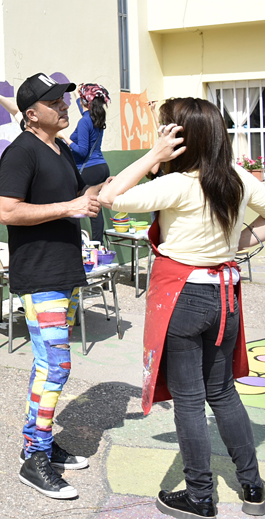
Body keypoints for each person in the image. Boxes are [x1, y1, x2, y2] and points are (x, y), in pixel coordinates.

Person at [98, 98, 265, 519]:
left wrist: (152, 157)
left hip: (185, 295)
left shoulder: (178, 185)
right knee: (223, 392)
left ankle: (199, 495)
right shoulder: (238, 179)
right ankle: (254, 488)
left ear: (179, 139)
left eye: (165, 130)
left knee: (190, 400)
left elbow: (109, 196)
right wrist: (243, 241)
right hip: (225, 294)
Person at [0, 72, 105, 500]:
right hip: (39, 274)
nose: (63, 106)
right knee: (56, 366)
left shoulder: (59, 149)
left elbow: (84, 197)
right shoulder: (20, 152)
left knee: (47, 363)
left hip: (64, 272)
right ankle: (34, 458)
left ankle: (36, 442)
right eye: (54, 102)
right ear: (31, 113)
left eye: (63, 99)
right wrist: (70, 207)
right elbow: (7, 211)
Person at [61, 84, 111, 243]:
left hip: (89, 169)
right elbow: (83, 106)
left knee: (80, 207)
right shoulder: (96, 117)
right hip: (101, 167)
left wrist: (64, 138)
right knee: (96, 210)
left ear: (85, 102)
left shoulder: (84, 121)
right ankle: (98, 245)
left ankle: (86, 245)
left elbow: (82, 151)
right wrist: (77, 94)